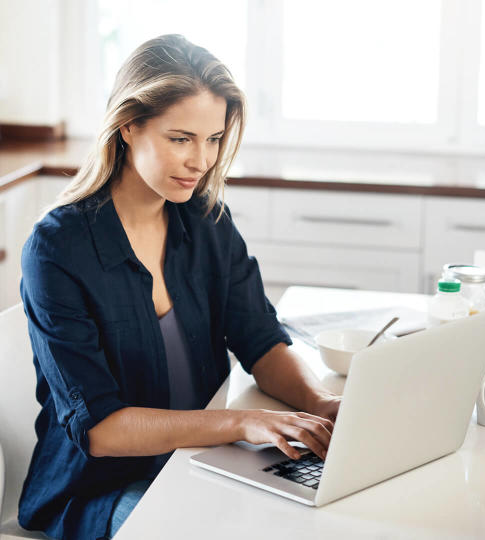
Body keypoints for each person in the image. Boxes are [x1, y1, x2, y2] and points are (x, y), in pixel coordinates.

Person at [18, 34, 341, 540]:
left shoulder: (207, 219)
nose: (202, 161)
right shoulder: (57, 250)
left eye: (213, 139)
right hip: (103, 488)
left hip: (205, 459)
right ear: (128, 126)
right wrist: (242, 424)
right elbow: (101, 430)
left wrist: (318, 402)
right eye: (181, 138)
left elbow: (260, 339)